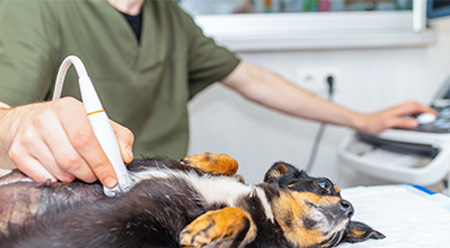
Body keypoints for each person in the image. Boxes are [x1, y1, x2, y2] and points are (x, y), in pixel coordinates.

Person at [0, 0, 434, 190]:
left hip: (167, 193)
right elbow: (6, 116)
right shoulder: (35, 6)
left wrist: (362, 120)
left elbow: (252, 80)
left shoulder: (170, 16)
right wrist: (17, 121)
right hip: (82, 201)